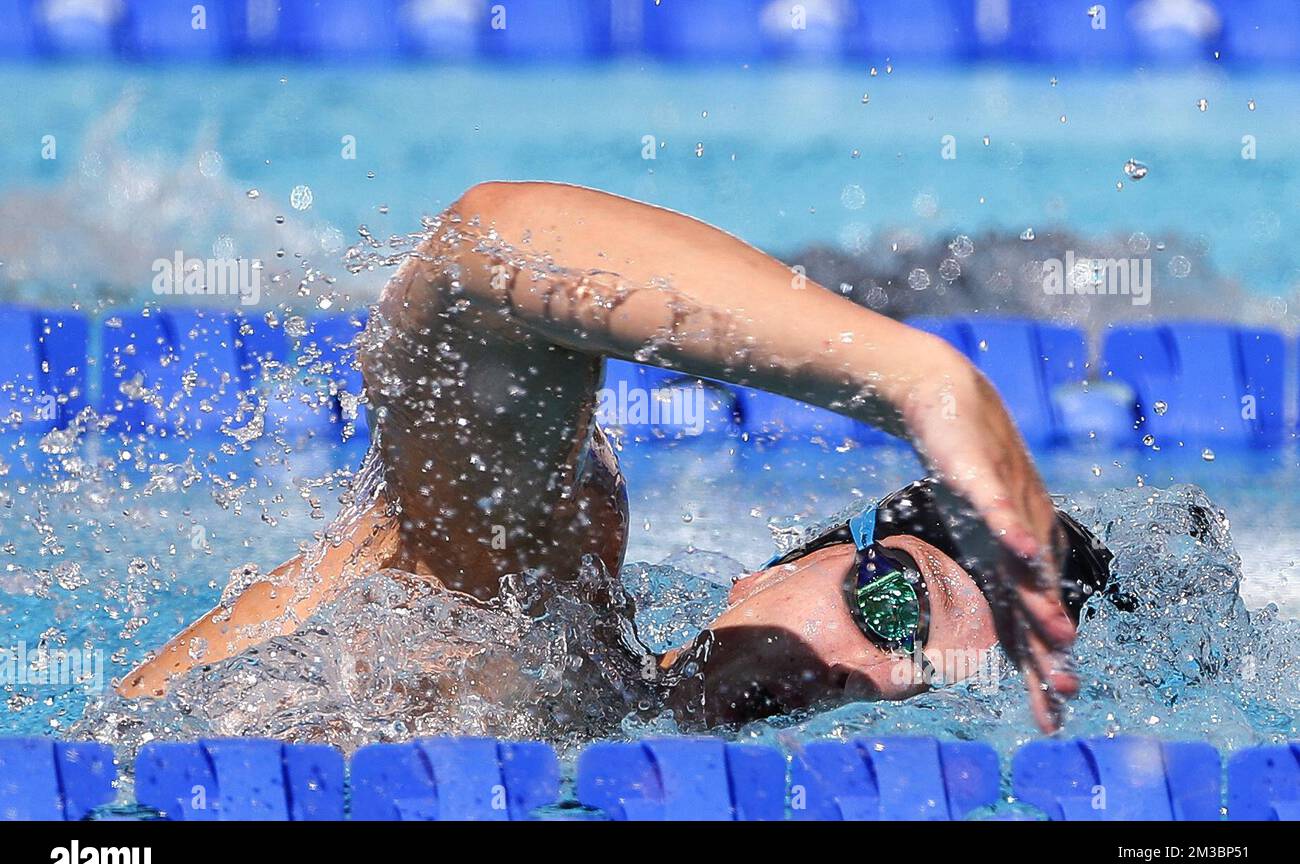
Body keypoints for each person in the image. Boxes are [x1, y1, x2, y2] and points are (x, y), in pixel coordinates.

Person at [119, 181, 1091, 732]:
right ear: (789, 562)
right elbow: (489, 253)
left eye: (928, 693)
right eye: (892, 607)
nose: (872, 679)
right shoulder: (536, 597)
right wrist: (916, 380)